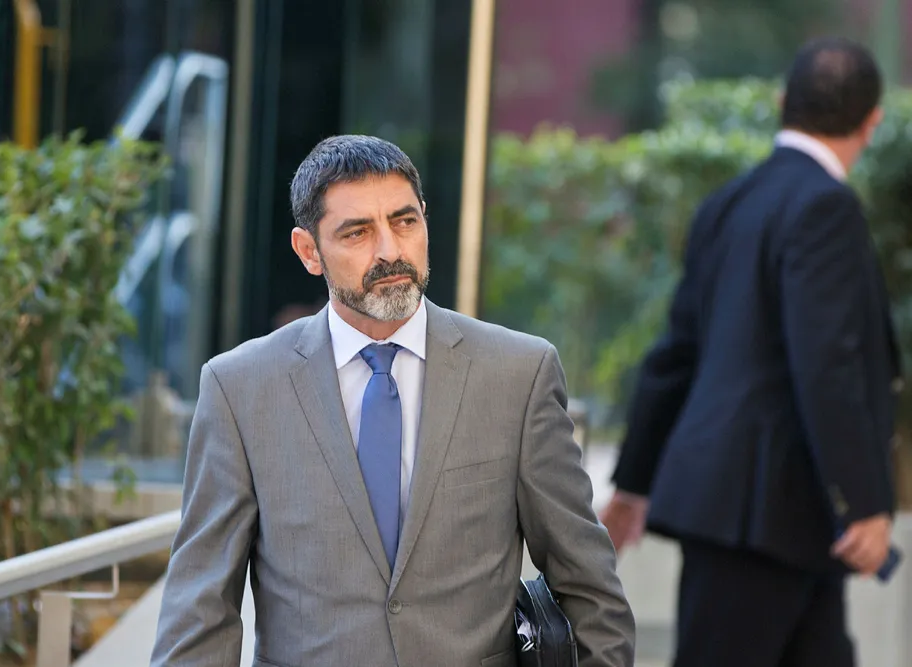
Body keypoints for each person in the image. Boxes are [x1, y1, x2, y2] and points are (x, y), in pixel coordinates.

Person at [150, 135, 635, 667]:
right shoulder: (239, 388)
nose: (389, 250)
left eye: (404, 221)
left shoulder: (519, 375)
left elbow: (589, 588)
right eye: (357, 232)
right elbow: (200, 611)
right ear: (309, 251)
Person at [599, 37, 902, 667]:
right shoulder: (827, 206)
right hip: (765, 517)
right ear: (871, 122)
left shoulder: (728, 202)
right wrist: (863, 503)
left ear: (783, 101)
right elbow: (827, 365)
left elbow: (676, 353)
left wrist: (634, 482)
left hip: (762, 519)